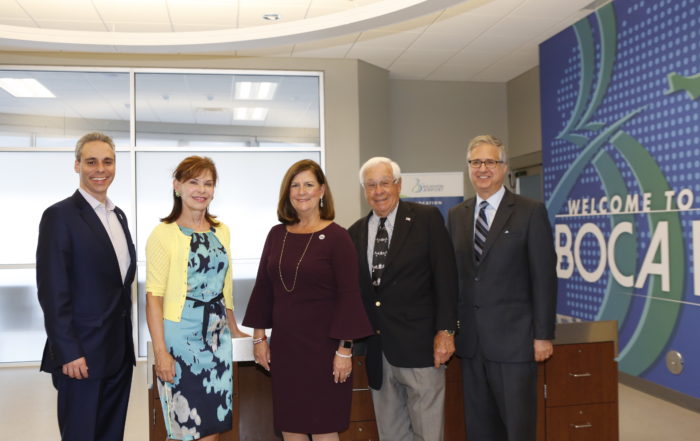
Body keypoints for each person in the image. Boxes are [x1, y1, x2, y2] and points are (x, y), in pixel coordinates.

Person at [243, 159, 372, 441]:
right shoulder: (277, 235)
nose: (302, 191)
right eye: (295, 185)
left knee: (324, 428)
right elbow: (263, 288)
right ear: (287, 192)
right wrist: (259, 338)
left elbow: (349, 297)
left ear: (322, 191)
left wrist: (345, 350)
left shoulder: (338, 238)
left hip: (325, 350)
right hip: (286, 349)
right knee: (291, 427)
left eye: (309, 185)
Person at [447, 135, 557, 441]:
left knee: (517, 428)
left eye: (490, 162)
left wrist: (543, 335)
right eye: (475, 162)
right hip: (471, 344)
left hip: (515, 343)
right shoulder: (457, 215)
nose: (482, 168)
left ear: (504, 167)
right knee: (479, 428)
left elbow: (544, 277)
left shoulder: (530, 211)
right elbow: (454, 278)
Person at [348, 157, 458, 441]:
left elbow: (446, 278)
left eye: (385, 183)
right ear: (364, 190)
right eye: (371, 185)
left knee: (428, 433)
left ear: (399, 184)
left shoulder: (426, 219)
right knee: (391, 435)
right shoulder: (355, 232)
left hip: (421, 349)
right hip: (378, 352)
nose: (378, 191)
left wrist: (446, 331)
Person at [36, 132, 136, 441]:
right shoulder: (59, 216)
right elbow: (52, 291)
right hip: (81, 357)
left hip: (119, 354)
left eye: (108, 161)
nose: (100, 169)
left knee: (111, 435)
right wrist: (68, 352)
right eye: (91, 162)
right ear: (77, 165)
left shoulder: (118, 216)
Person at [145, 156, 248, 441]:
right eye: (194, 182)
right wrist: (161, 352)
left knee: (212, 424)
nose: (201, 190)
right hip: (180, 339)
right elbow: (153, 297)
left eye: (208, 183)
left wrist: (234, 328)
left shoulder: (222, 231)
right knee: (185, 427)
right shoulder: (162, 234)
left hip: (217, 339)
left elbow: (224, 287)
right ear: (177, 186)